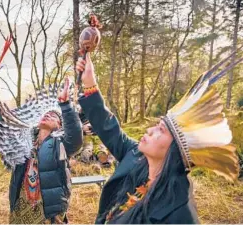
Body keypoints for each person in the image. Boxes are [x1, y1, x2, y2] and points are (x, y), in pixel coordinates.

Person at [75, 53, 239, 224]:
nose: (149, 130)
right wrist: (90, 84)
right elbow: (112, 131)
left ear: (175, 149)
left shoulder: (179, 215)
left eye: (161, 129)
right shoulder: (138, 157)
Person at [0, 77, 83, 224]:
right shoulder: (23, 141)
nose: (48, 114)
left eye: (54, 116)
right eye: (46, 113)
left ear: (60, 126)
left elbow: (75, 139)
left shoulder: (60, 145)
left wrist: (65, 106)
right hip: (21, 209)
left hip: (48, 213)